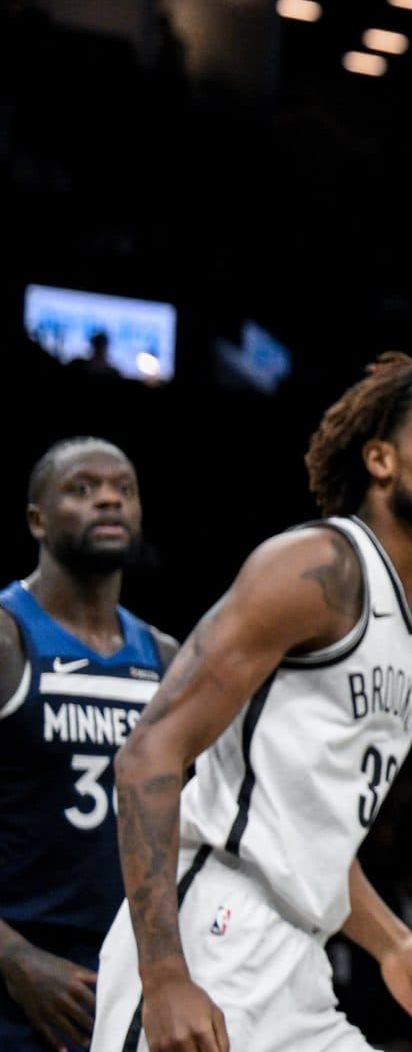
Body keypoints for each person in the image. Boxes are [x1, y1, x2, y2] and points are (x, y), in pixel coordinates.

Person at [94, 352, 412, 1051]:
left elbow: (314, 828)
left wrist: (395, 944)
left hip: (301, 957)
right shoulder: (315, 569)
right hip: (212, 927)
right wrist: (164, 977)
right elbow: (147, 754)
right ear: (381, 459)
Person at [0, 440, 175, 1052]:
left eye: (123, 489)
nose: (108, 499)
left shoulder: (168, 659)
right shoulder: (7, 636)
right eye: (82, 488)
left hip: (125, 989)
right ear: (36, 520)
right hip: (20, 983)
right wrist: (16, 958)